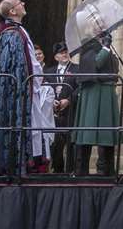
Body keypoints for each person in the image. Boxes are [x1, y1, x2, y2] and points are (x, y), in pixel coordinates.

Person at [0, 0, 39, 176]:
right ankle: (10, 165)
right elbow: (15, 67)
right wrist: (21, 88)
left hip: (23, 89)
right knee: (12, 123)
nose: (24, 3)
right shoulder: (11, 34)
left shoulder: (18, 32)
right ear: (12, 11)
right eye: (20, 2)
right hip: (14, 93)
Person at [71, 32, 120, 177]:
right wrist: (105, 48)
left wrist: (108, 49)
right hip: (93, 94)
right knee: (88, 132)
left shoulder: (104, 46)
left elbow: (113, 66)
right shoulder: (89, 46)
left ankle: (106, 169)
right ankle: (81, 169)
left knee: (106, 133)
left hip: (106, 93)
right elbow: (97, 63)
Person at [46, 43, 77, 173]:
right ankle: (57, 171)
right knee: (55, 144)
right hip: (53, 113)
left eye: (66, 51)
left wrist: (69, 100)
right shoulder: (48, 71)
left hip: (70, 112)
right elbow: (44, 89)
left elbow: (80, 87)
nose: (64, 54)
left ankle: (70, 171)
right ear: (56, 57)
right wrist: (51, 101)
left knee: (71, 143)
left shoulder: (76, 69)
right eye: (61, 52)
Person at [29, 46, 54, 172]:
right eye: (35, 54)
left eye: (40, 53)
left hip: (43, 120)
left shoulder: (48, 84)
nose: (37, 56)